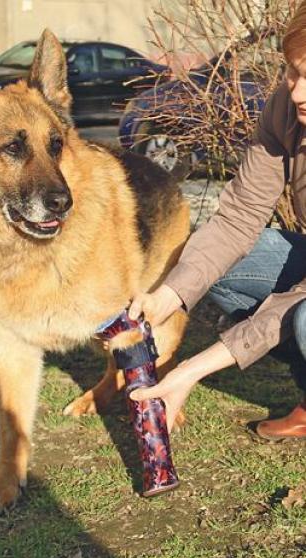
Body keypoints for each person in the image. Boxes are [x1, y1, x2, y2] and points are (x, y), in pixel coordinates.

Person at [128, 1, 306, 440]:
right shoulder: (286, 107)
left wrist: (193, 368)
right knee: (217, 268)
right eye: (293, 71)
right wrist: (169, 295)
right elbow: (238, 216)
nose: (298, 91)